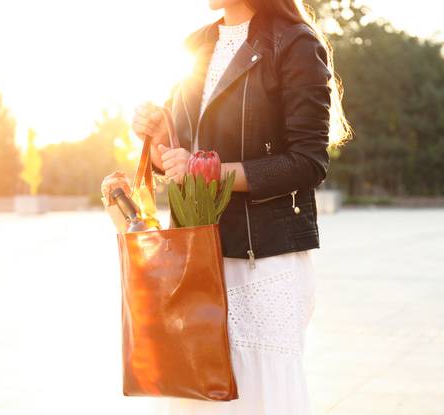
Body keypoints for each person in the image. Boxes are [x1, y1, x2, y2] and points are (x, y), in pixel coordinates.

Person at [132, 0, 351, 413]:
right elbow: (181, 161)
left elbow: (308, 162)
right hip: (198, 258)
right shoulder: (194, 45)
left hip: (263, 262)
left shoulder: (295, 44)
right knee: (200, 398)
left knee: (263, 397)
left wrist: (208, 171)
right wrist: (161, 140)